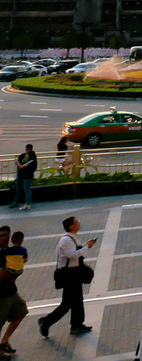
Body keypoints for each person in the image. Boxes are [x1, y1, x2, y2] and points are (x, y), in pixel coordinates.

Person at [39, 215, 96, 337]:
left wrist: (85, 245)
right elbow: (72, 255)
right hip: (69, 275)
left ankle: (77, 324)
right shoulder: (66, 240)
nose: (79, 222)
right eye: (76, 221)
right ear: (71, 226)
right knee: (68, 303)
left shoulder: (73, 238)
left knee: (77, 300)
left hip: (74, 273)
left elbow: (75, 253)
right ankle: (46, 321)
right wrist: (87, 247)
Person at [0, 226, 29, 358]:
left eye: (6, 234)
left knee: (21, 311)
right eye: (1, 235)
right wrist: (11, 274)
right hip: (1, 295)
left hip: (11, 292)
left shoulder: (10, 252)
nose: (5, 237)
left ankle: (4, 341)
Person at [10, 147, 35, 212]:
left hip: (26, 176)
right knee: (26, 189)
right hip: (25, 176)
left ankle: (27, 204)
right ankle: (25, 203)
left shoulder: (30, 161)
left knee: (27, 189)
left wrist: (17, 162)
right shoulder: (32, 158)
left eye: (27, 155)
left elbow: (21, 166)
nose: (26, 155)